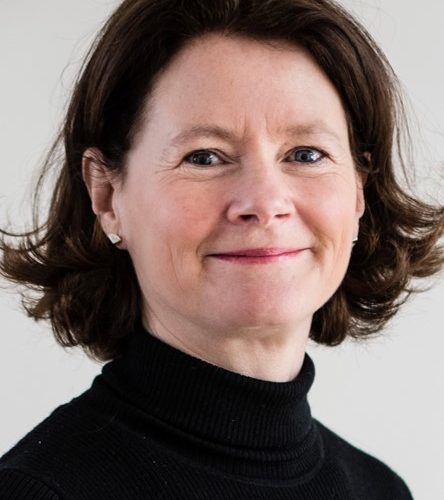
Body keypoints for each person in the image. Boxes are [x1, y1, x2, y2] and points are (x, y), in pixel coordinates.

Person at [0, 0, 442, 498]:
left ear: (359, 189)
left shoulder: (381, 490)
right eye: (205, 157)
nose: (264, 204)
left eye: (306, 154)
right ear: (105, 196)